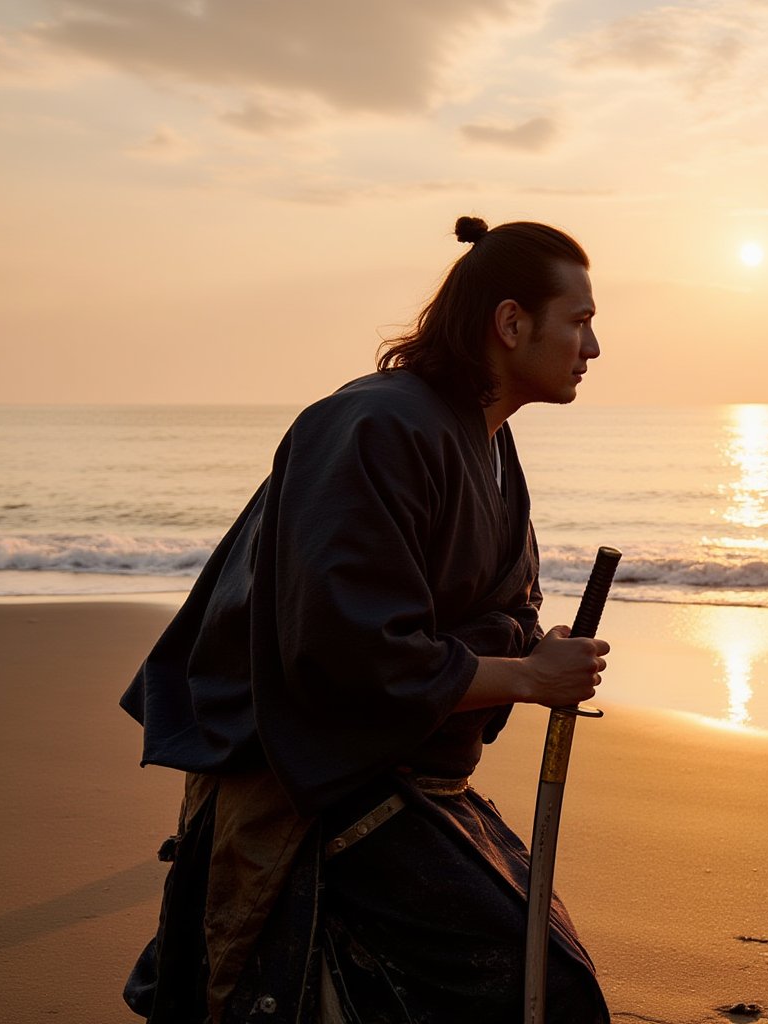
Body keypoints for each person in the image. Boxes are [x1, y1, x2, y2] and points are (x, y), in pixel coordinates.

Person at [120, 216, 613, 1023]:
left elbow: (477, 612)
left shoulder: (487, 442)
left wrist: (532, 649)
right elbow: (347, 651)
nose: (592, 348)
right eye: (581, 322)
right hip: (320, 778)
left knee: (552, 973)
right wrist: (523, 675)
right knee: (543, 990)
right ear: (511, 322)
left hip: (411, 772)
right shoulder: (375, 426)